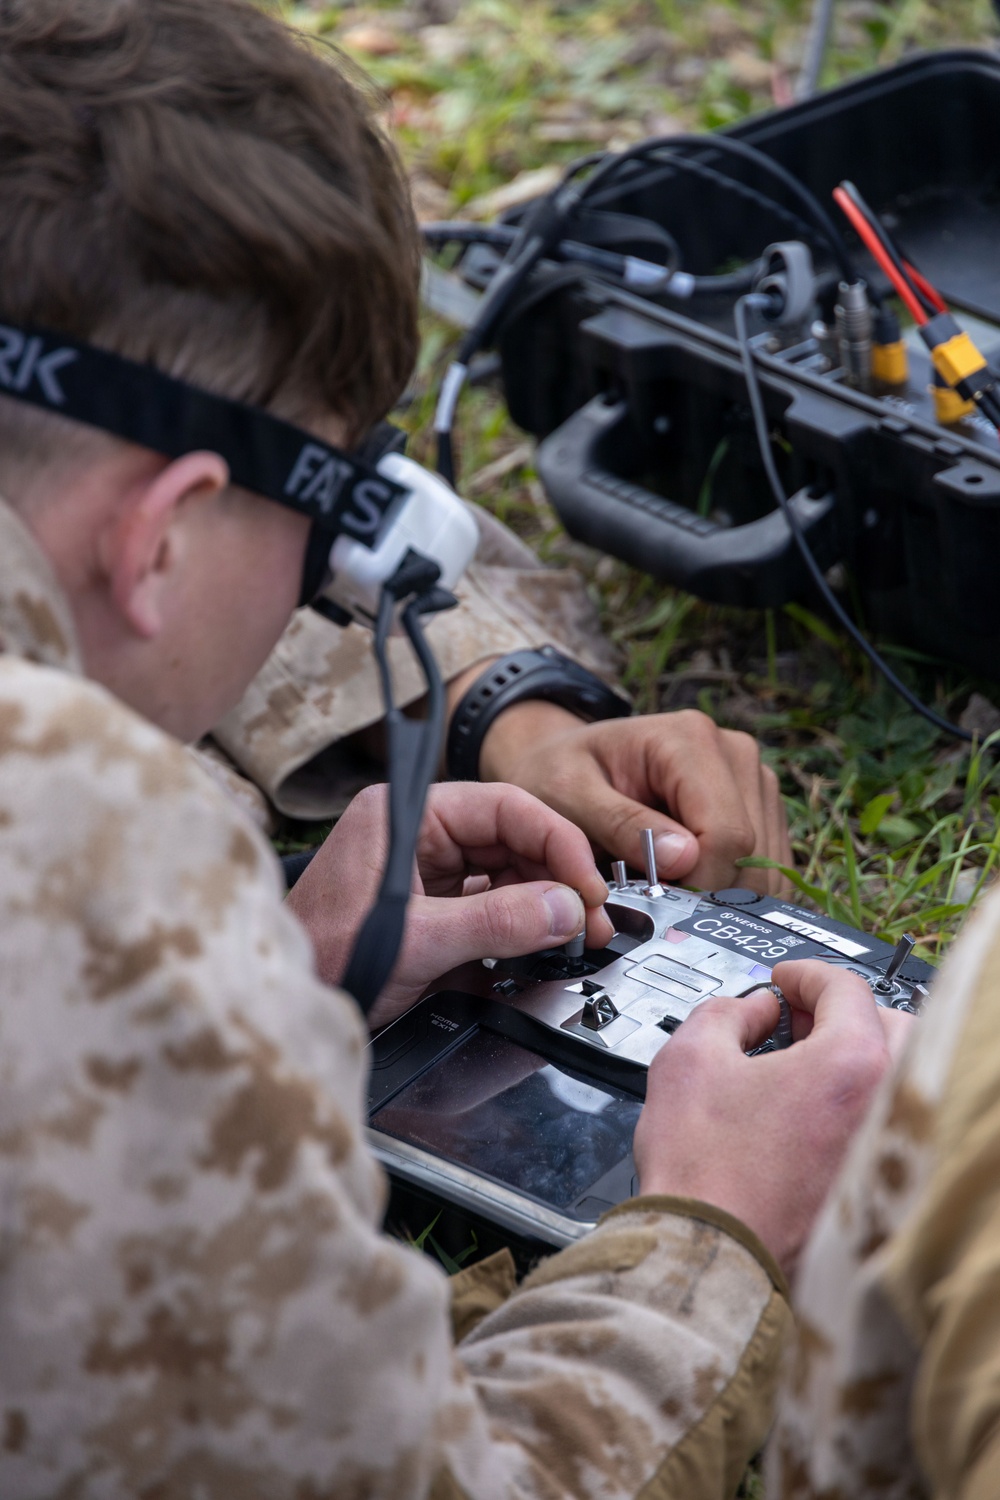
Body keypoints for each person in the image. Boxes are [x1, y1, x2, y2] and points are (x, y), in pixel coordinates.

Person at [0, 2, 892, 1496]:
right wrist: (714, 1238)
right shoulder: (76, 843)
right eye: (319, 542)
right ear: (160, 535)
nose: (316, 593)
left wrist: (250, 988)